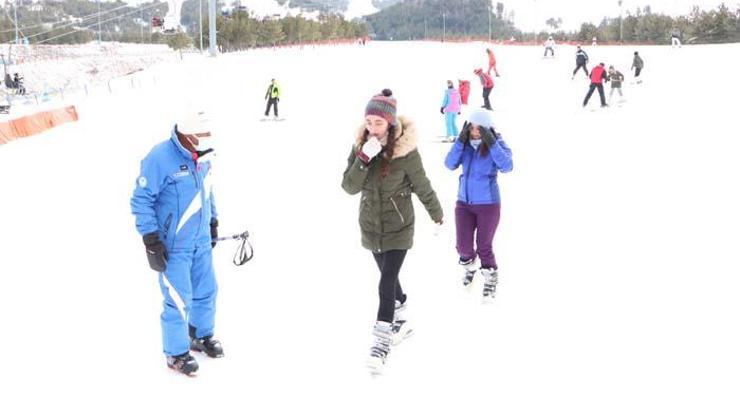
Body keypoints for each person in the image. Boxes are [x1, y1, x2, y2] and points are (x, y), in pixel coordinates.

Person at [341, 89, 444, 374]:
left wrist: (436, 214)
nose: (372, 128)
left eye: (378, 122)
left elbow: (422, 185)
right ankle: (402, 318)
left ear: (390, 123)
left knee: (386, 282)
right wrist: (363, 158)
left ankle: (381, 340)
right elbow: (348, 187)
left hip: (399, 227)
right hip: (371, 227)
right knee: (390, 277)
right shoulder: (360, 146)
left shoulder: (405, 152)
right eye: (369, 122)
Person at [131, 110, 224, 376]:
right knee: (176, 298)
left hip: (201, 242)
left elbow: (208, 190)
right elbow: (141, 199)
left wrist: (213, 220)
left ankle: (200, 335)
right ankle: (176, 352)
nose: (206, 138)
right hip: (174, 247)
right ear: (187, 133)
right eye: (202, 134)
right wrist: (150, 238)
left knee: (207, 291)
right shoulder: (160, 158)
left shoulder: (203, 157)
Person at [444, 109, 512, 301]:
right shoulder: (464, 145)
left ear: (487, 129)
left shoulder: (497, 144)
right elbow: (449, 164)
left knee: (484, 246)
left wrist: (491, 144)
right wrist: (459, 141)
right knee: (463, 247)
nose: (475, 131)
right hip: (464, 203)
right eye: (471, 127)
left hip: (488, 204)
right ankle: (470, 267)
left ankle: (490, 279)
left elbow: (507, 166)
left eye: (479, 128)